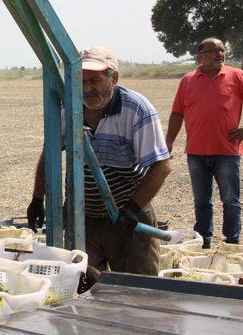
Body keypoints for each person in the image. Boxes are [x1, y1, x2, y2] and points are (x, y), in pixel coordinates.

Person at [26, 46, 171, 275]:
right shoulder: (69, 109)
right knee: (85, 285)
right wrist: (37, 198)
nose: (86, 88)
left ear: (113, 78)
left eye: (94, 80)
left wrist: (132, 209)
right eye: (80, 81)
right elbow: (49, 154)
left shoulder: (136, 109)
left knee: (139, 289)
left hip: (125, 215)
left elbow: (161, 166)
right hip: (82, 216)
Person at [165, 38, 243, 249]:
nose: (220, 54)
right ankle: (203, 241)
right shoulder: (188, 80)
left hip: (227, 152)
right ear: (200, 55)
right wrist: (169, 141)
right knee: (202, 201)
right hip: (196, 153)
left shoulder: (236, 76)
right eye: (214, 51)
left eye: (222, 51)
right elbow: (177, 112)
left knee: (230, 200)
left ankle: (232, 241)